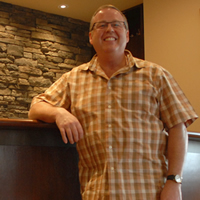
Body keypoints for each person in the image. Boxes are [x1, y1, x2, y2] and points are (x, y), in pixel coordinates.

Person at [29, 4, 198, 200]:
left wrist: (174, 181)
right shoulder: (73, 79)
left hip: (150, 193)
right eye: (101, 25)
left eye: (116, 24)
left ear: (127, 34)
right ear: (91, 37)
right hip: (97, 194)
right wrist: (59, 113)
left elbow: (178, 126)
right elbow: (36, 106)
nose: (109, 29)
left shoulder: (156, 75)